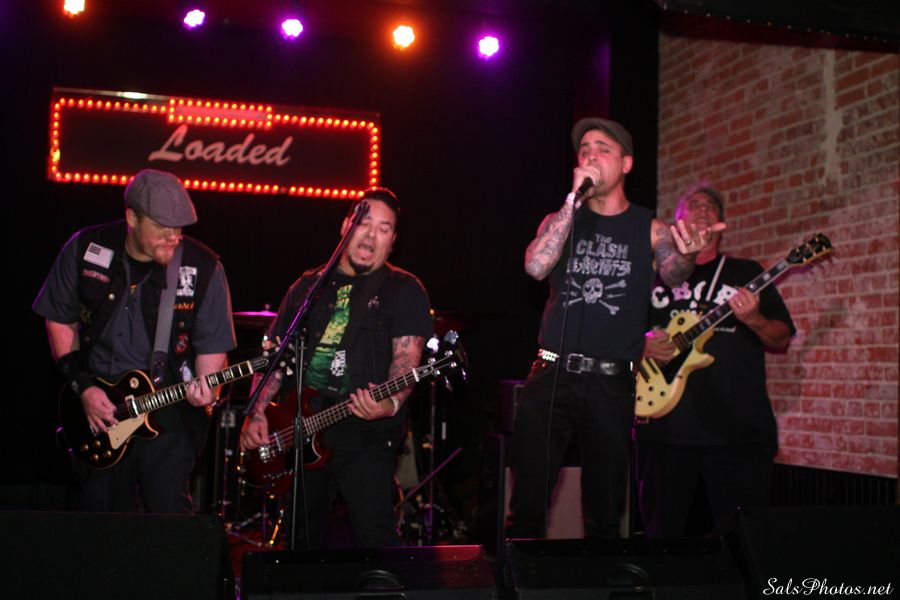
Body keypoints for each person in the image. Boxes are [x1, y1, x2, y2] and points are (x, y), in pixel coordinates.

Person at [506, 118, 726, 539]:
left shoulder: (650, 227)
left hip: (612, 385)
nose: (590, 155)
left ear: (626, 163)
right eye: (584, 149)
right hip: (551, 375)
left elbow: (674, 273)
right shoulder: (560, 218)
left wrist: (688, 254)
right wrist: (572, 201)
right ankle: (520, 575)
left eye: (602, 148)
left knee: (605, 514)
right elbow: (535, 267)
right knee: (527, 506)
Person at [33, 168, 236, 512]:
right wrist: (84, 387)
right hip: (100, 405)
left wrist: (209, 390)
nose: (173, 236)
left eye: (179, 227)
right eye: (162, 227)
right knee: (102, 518)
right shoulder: (86, 248)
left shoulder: (203, 267)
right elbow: (59, 318)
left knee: (167, 515)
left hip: (168, 405)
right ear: (132, 218)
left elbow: (213, 348)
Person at [240, 187, 432, 548]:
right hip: (303, 424)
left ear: (393, 241)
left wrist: (389, 403)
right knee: (299, 541)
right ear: (346, 225)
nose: (371, 235)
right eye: (364, 223)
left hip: (365, 431)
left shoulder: (403, 289)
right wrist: (257, 412)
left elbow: (406, 361)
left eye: (384, 229)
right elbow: (273, 358)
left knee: (375, 538)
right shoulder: (307, 287)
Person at [635, 185, 794, 537]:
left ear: (721, 223)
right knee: (661, 538)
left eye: (711, 206)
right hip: (664, 428)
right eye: (694, 205)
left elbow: (781, 337)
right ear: (676, 223)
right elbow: (616, 334)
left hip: (737, 431)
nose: (704, 209)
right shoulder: (655, 277)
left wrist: (754, 319)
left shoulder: (746, 273)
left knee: (744, 542)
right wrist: (641, 345)